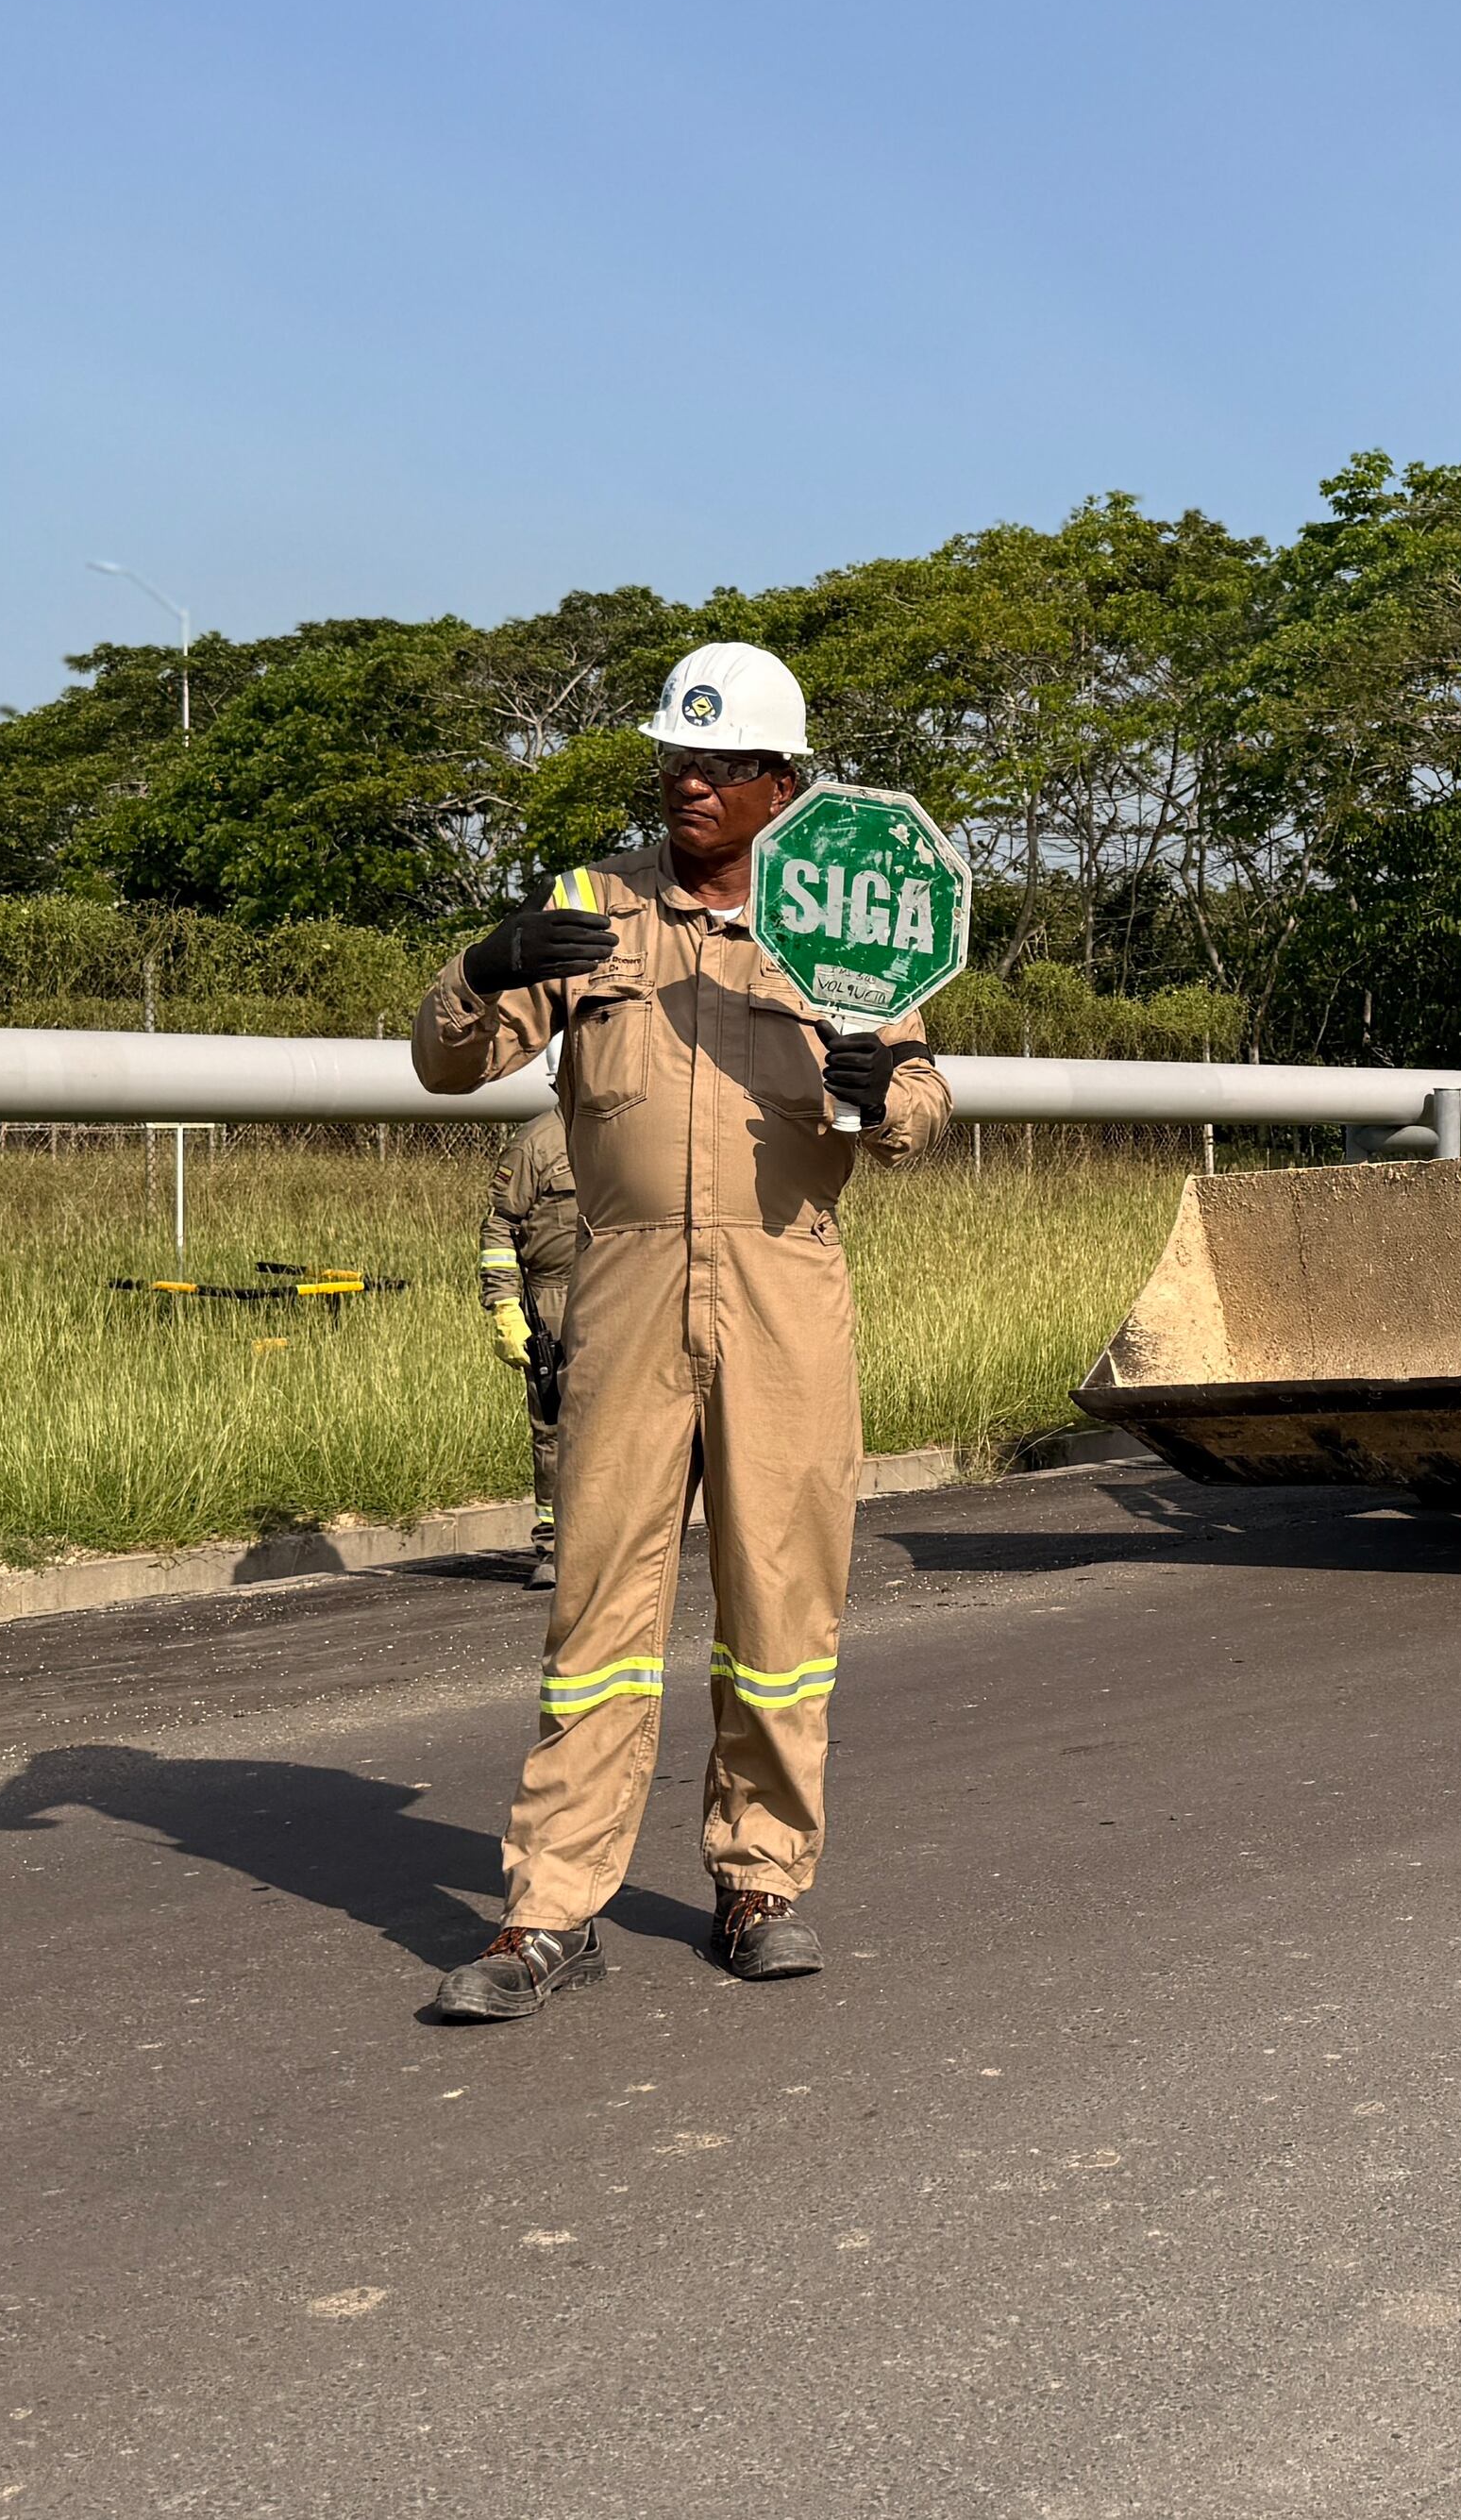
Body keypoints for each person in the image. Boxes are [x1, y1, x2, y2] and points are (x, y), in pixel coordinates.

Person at [410, 639, 950, 2018]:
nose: (688, 782)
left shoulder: (851, 916)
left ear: (785, 781)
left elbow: (927, 1115)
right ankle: (549, 1909)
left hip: (786, 1281)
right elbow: (449, 1059)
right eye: (675, 759)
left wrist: (878, 1088)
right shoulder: (592, 907)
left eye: (720, 764)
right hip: (628, 1280)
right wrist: (485, 963)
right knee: (597, 1599)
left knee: (782, 1599)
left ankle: (760, 1877)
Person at [477, 1109, 583, 1594]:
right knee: (554, 1427)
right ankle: (555, 1547)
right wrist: (504, 1305)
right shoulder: (537, 1143)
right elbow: (500, 1226)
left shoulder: (636, 1123)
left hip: (627, 1291)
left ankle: (615, 1543)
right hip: (554, 1300)